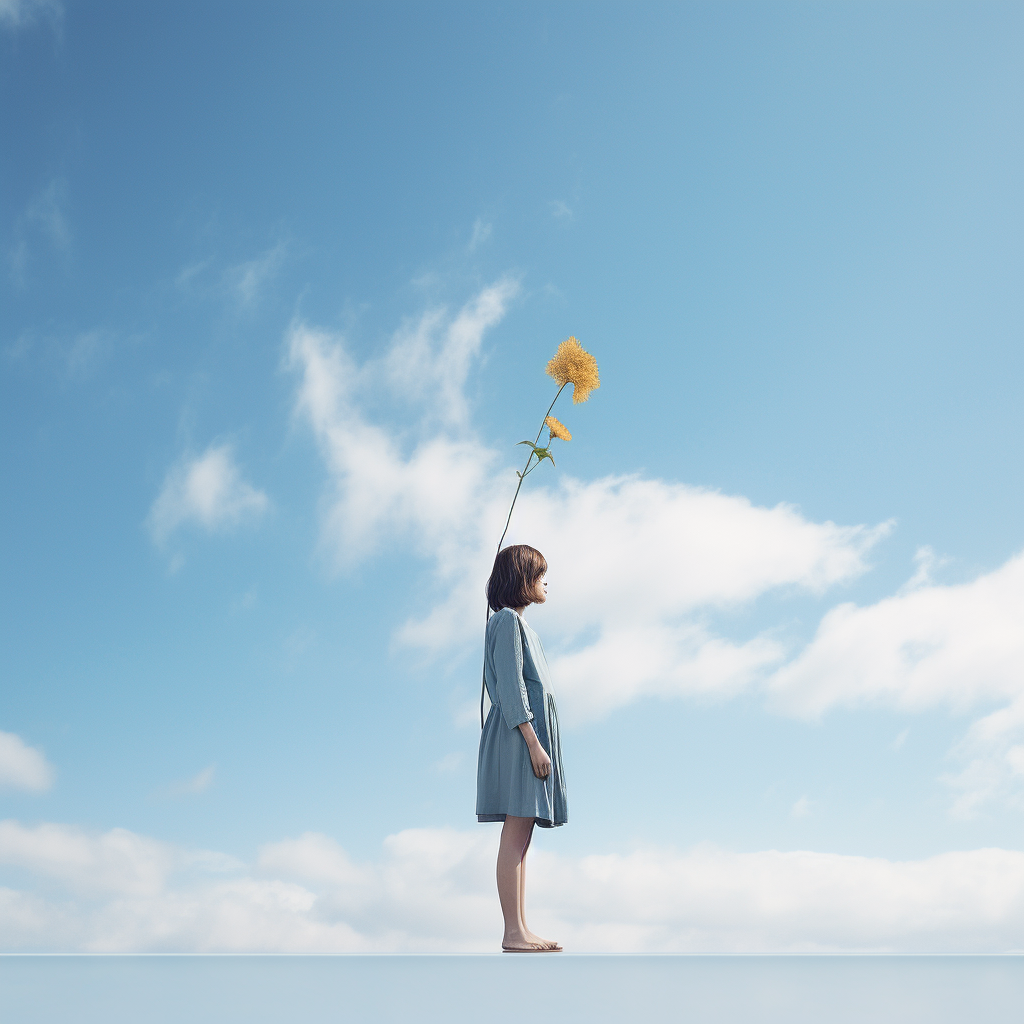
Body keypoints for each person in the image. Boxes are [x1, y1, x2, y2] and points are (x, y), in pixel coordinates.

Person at [477, 544, 568, 952]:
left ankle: (521, 928)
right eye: (539, 573)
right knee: (515, 832)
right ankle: (512, 933)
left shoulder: (521, 626)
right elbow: (512, 689)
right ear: (521, 578)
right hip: (520, 736)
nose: (546, 581)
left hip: (526, 735)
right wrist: (534, 744)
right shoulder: (507, 622)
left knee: (523, 834)